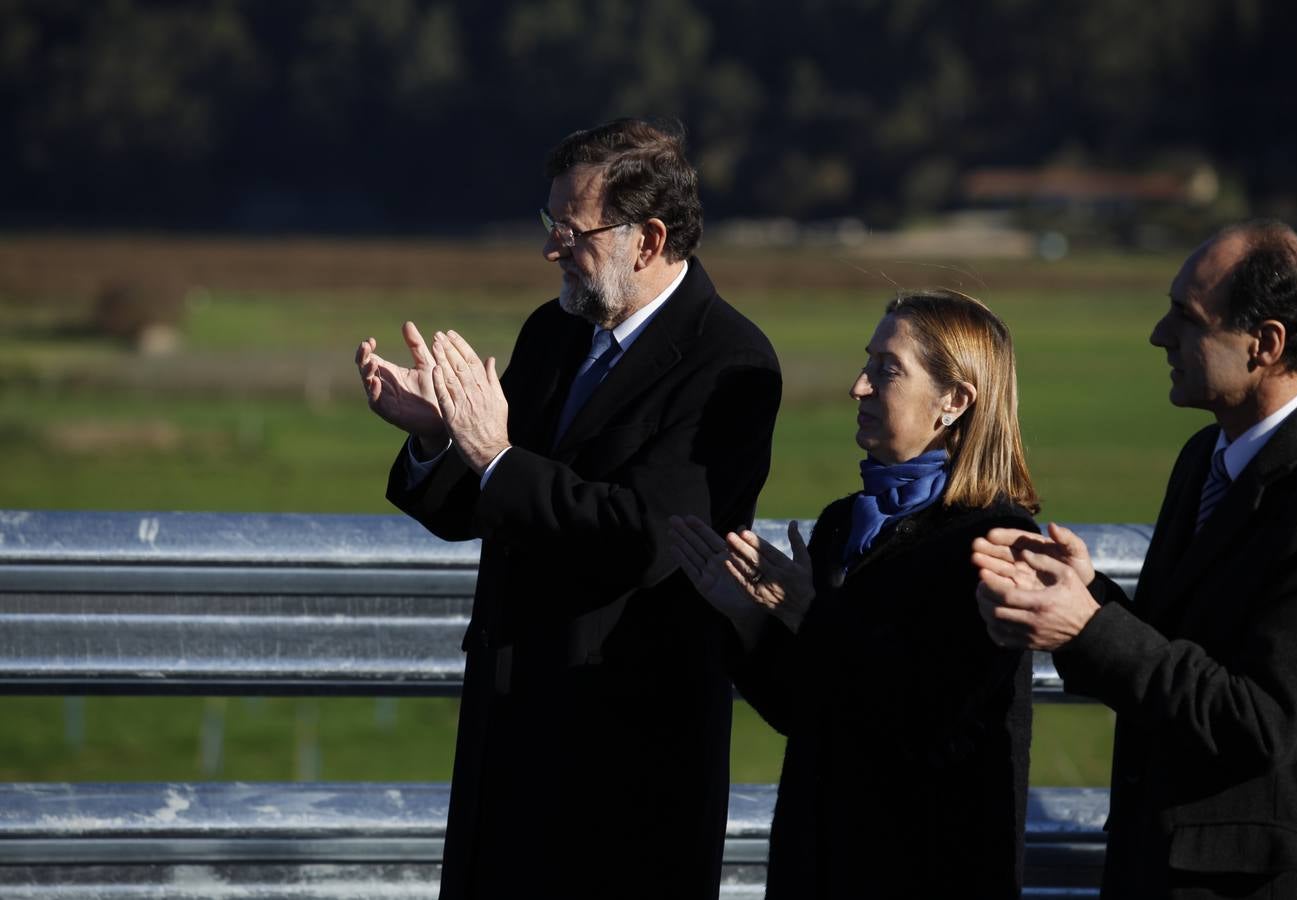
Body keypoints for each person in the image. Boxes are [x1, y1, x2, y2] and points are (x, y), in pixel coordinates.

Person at [354, 119, 781, 900]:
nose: (551, 249)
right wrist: (439, 436)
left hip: (623, 763)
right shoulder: (554, 332)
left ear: (648, 241)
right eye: (548, 222)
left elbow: (644, 539)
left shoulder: (730, 365)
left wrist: (493, 453)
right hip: (509, 735)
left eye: (571, 230)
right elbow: (485, 505)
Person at [973, 220, 1297, 899]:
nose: (1159, 335)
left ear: (1265, 344)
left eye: (1187, 318)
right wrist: (1084, 590)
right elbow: (1177, 648)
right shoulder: (1205, 458)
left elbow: (1263, 723)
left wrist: (1089, 626)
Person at [671, 289, 1039, 898]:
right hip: (818, 863)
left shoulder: (995, 543)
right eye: (867, 363)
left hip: (927, 871)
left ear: (954, 400)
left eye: (887, 369)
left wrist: (809, 611)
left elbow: (932, 718)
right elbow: (805, 711)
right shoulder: (844, 524)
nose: (858, 387)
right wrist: (748, 620)